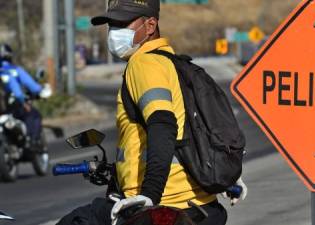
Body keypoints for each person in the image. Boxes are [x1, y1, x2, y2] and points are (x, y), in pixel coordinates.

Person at [57, 1, 247, 225]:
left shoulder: (144, 63)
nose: (114, 32)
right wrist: (227, 177)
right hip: (201, 206)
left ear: (150, 26)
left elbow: (163, 123)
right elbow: (197, 130)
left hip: (163, 202)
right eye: (112, 25)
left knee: (76, 220)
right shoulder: (173, 65)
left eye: (123, 23)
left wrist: (150, 194)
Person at [0, 43, 51, 146]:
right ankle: (32, 141)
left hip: (4, 110)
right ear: (10, 56)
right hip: (14, 107)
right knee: (34, 115)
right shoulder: (13, 70)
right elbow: (30, 87)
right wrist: (24, 102)